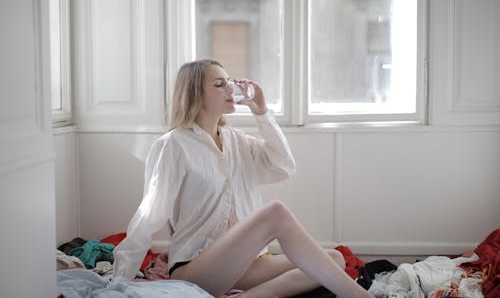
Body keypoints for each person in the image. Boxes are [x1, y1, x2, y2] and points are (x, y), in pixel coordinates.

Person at [112, 60, 374, 298]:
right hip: (196, 268)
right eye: (219, 84)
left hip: (244, 266)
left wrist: (262, 113)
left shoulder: (236, 141)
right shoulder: (173, 145)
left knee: (334, 260)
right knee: (276, 213)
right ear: (195, 93)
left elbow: (283, 166)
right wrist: (120, 279)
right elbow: (148, 215)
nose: (230, 89)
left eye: (229, 82)